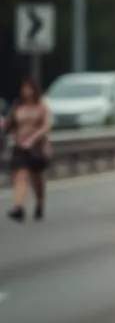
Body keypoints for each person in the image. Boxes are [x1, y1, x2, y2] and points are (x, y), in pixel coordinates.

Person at [2, 78, 53, 222]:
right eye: (24, 88)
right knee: (21, 175)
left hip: (37, 147)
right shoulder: (18, 105)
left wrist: (33, 139)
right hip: (20, 146)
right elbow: (10, 123)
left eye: (29, 88)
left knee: (37, 178)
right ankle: (19, 207)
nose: (26, 91)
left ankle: (40, 202)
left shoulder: (42, 105)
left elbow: (46, 126)